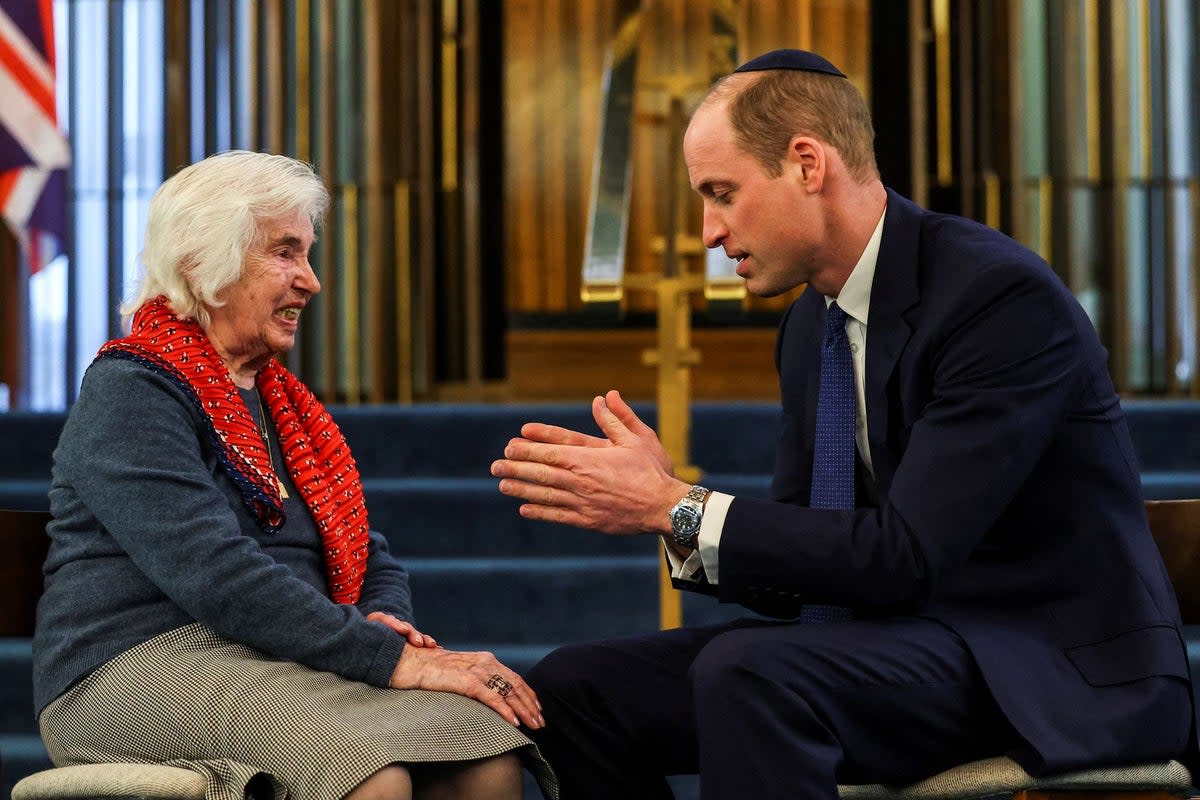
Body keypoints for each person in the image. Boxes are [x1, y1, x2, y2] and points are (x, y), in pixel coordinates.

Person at [489, 50, 1193, 799]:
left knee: (753, 675)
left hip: (1042, 666)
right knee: (576, 686)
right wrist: (669, 511)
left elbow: (908, 553)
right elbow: (808, 554)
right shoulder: (807, 329)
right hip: (894, 644)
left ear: (805, 164)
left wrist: (678, 505)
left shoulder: (996, 299)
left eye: (721, 194)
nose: (708, 233)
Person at [33, 150, 555, 800]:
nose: (309, 280)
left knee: (481, 754)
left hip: (270, 654)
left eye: (307, 255)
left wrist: (383, 622)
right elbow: (215, 575)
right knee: (371, 776)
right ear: (204, 262)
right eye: (285, 253)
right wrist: (390, 661)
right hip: (131, 662)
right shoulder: (132, 389)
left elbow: (370, 557)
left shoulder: (283, 404)